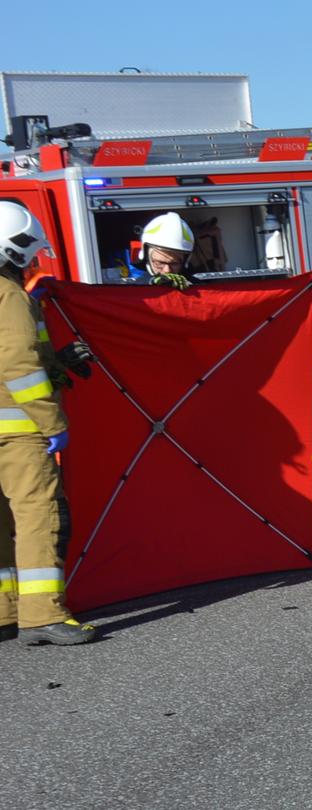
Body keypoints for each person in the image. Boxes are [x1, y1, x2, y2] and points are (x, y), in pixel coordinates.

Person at [0, 201, 94, 645]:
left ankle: (6, 610)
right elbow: (19, 366)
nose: (33, 262)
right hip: (17, 432)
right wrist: (53, 422)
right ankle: (42, 616)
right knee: (38, 517)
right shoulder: (10, 296)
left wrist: (56, 361)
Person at [140, 212, 198, 289]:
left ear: (185, 261)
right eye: (160, 263)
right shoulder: (135, 290)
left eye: (174, 263)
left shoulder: (198, 288)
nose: (167, 270)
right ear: (146, 257)